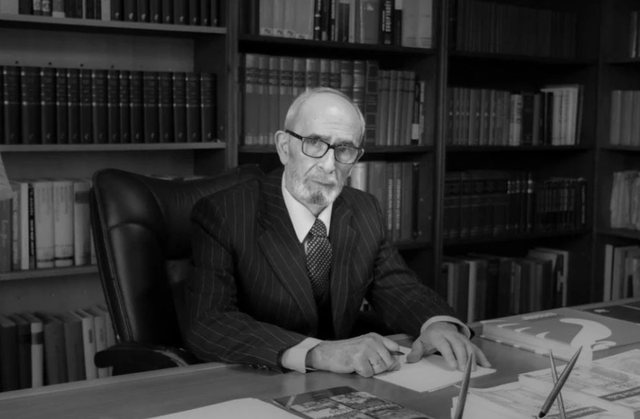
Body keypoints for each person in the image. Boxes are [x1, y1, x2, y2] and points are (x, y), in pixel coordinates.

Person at [186, 87, 490, 377]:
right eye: (315, 143)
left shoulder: (364, 209)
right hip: (256, 378)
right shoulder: (224, 214)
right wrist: (317, 353)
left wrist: (436, 323)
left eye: (344, 149)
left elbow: (397, 285)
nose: (329, 165)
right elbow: (209, 322)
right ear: (284, 147)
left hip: (344, 384)